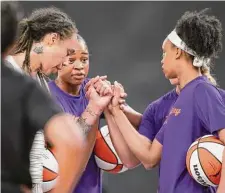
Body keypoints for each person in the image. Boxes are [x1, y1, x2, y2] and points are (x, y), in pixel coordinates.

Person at [102, 9, 225, 193]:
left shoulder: (202, 91)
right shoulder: (180, 101)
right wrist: (115, 110)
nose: (162, 60)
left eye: (164, 53)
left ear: (177, 52)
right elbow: (149, 157)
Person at [4, 5, 110, 193]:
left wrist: (94, 108)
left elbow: (69, 136)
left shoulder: (40, 85)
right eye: (67, 53)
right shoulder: (8, 76)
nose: (64, 63)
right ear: (52, 39)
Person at [48, 34, 128, 193]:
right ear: (57, 62)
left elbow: (138, 122)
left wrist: (116, 102)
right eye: (71, 60)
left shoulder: (94, 88)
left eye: (84, 59)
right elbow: (70, 143)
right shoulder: (47, 96)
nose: (79, 66)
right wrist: (94, 108)